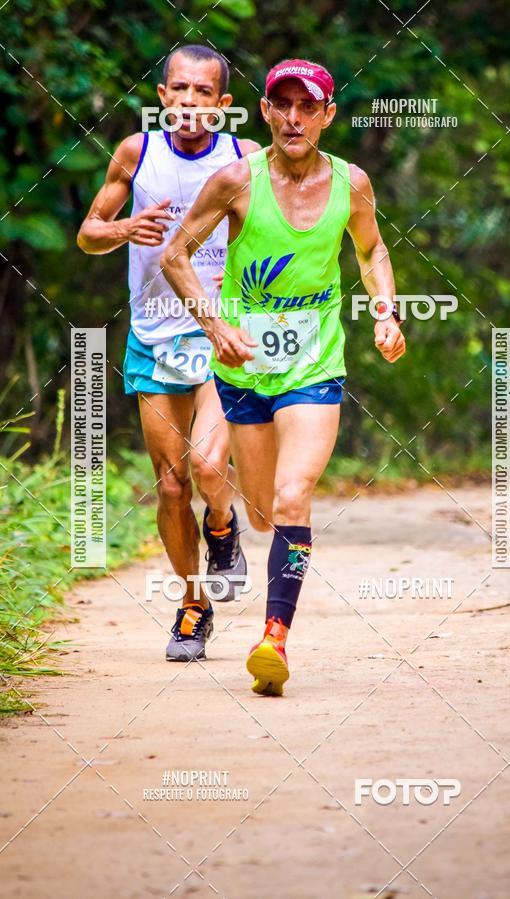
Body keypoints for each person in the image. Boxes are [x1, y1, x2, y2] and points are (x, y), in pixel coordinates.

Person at [161, 58, 406, 694]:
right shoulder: (236, 182)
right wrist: (216, 328)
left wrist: (385, 311)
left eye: (308, 106)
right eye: (282, 105)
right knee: (267, 512)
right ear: (266, 111)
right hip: (243, 368)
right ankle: (234, 531)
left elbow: (372, 247)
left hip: (314, 365)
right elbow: (174, 253)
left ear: (327, 116)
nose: (294, 117)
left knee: (296, 496)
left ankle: (274, 640)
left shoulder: (352, 183)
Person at [77, 45, 260, 661]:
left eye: (203, 93)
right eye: (177, 90)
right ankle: (192, 606)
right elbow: (88, 234)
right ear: (162, 96)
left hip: (221, 335)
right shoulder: (137, 152)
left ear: (223, 105)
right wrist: (126, 229)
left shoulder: (245, 159)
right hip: (154, 335)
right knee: (172, 487)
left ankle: (224, 527)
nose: (188, 102)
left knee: (210, 472)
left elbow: (281, 234)